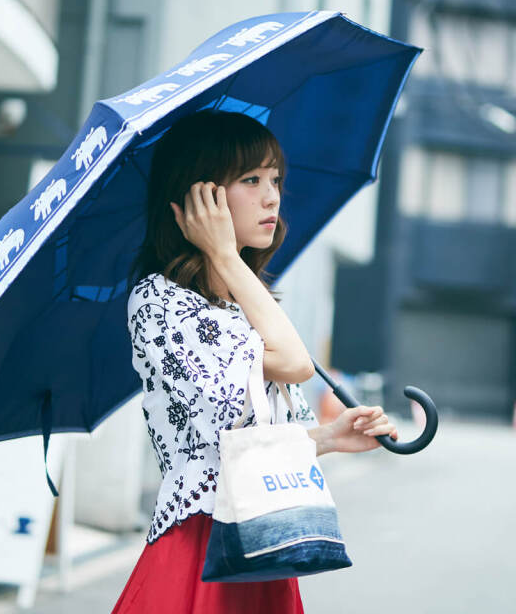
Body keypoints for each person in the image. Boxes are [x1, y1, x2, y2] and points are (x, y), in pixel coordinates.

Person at [113, 109, 398, 614]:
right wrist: (224, 255)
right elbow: (294, 364)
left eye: (275, 180)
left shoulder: (234, 303)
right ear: (202, 197)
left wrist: (330, 437)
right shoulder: (159, 301)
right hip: (200, 547)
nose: (272, 197)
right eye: (251, 179)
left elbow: (250, 443)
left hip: (259, 539)